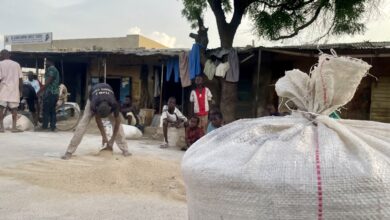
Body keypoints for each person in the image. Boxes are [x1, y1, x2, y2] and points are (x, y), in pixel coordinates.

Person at [61, 83, 131, 160]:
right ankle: (69, 151)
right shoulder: (93, 105)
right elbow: (98, 121)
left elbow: (117, 123)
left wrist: (112, 139)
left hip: (106, 95)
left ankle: (125, 149)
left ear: (110, 109)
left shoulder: (114, 104)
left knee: (119, 127)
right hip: (94, 96)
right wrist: (104, 137)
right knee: (82, 124)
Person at [0, 49, 23, 132]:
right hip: (14, 90)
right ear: (9, 55)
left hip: (3, 90)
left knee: (1, 108)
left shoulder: (0, 64)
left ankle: (1, 127)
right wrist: (21, 91)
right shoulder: (17, 64)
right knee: (14, 109)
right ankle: (14, 127)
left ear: (1, 55)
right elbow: (20, 79)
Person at [38, 59, 59, 131]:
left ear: (50, 62)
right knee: (52, 110)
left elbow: (48, 82)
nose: (45, 63)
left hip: (50, 92)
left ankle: (45, 126)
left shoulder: (51, 70)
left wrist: (40, 91)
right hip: (54, 93)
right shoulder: (54, 69)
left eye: (46, 61)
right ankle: (53, 126)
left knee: (46, 110)